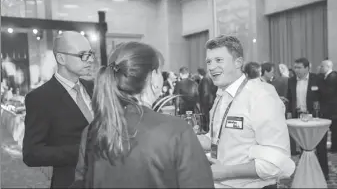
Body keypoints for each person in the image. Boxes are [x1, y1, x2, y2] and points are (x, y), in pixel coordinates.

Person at [71, 42, 214, 188]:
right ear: (153, 78)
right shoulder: (176, 131)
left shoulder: (91, 131)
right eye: (160, 71)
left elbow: (80, 183)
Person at [197, 35, 295, 188]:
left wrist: (225, 172)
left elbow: (276, 163)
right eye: (208, 61)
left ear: (238, 62)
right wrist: (183, 138)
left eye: (219, 60)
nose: (211, 67)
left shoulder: (261, 96)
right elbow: (215, 137)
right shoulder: (220, 96)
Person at [22, 31, 95, 188]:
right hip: (71, 182)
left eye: (91, 54)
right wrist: (82, 152)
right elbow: (31, 153)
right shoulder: (40, 98)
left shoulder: (94, 88)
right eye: (83, 55)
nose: (91, 60)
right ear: (61, 58)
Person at [319, 60, 337, 154]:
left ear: (328, 66)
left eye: (322, 66)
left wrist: (319, 90)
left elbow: (329, 93)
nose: (320, 68)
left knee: (334, 128)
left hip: (332, 108)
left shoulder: (332, 76)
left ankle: (334, 148)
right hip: (330, 107)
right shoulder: (326, 76)